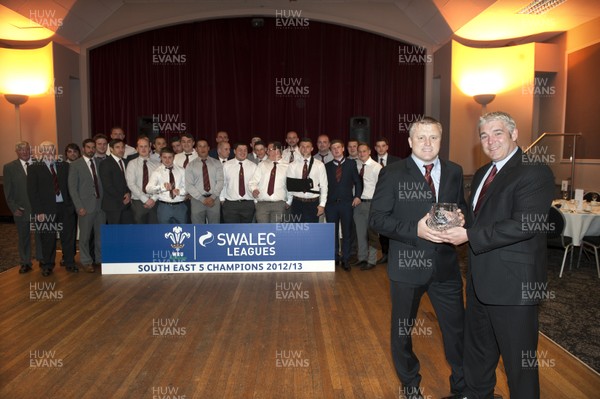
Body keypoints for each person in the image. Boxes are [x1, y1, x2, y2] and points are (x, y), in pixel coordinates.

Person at [438, 111, 555, 399]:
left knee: (519, 364)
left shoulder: (534, 171)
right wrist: (456, 218)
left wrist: (469, 236)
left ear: (514, 134)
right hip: (480, 281)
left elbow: (524, 224)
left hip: (515, 287)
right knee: (478, 353)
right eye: (484, 135)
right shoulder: (482, 174)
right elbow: (478, 217)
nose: (490, 141)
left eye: (498, 133)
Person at [370, 117, 467, 399]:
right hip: (407, 268)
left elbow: (460, 207)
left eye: (434, 138)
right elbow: (377, 219)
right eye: (421, 138)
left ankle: (461, 388)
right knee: (402, 333)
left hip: (446, 267)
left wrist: (461, 217)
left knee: (457, 332)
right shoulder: (393, 173)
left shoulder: (454, 171)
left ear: (441, 140)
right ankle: (411, 385)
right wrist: (416, 230)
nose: (427, 143)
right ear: (410, 141)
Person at [27, 141, 77, 276]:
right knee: (48, 238)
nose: (49, 152)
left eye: (51, 150)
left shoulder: (64, 166)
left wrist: (72, 206)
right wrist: (38, 212)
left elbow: (71, 187)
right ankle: (48, 265)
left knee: (68, 237)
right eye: (46, 150)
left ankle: (70, 263)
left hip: (65, 208)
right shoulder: (34, 168)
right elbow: (32, 192)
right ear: (41, 152)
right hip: (45, 210)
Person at [3, 141, 42, 274]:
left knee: (40, 235)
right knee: (23, 237)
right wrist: (14, 208)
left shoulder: (39, 163)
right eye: (21, 150)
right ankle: (25, 262)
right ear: (17, 152)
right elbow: (8, 191)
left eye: (26, 149)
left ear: (30, 150)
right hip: (21, 210)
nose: (24, 152)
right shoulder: (9, 167)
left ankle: (42, 259)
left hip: (39, 209)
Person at [68, 139, 105, 273]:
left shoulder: (100, 163)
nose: (91, 150)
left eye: (93, 147)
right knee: (84, 237)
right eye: (88, 147)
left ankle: (99, 259)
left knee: (100, 236)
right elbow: (72, 188)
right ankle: (86, 261)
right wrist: (79, 206)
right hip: (85, 207)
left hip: (100, 206)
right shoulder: (75, 165)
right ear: (83, 149)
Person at [324, 140, 362, 271]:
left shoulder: (351, 164)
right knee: (331, 233)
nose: (336, 150)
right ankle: (334, 257)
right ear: (330, 150)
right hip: (331, 205)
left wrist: (357, 196)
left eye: (338, 147)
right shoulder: (327, 166)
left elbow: (358, 182)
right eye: (333, 148)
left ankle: (346, 259)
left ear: (343, 148)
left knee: (347, 233)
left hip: (347, 204)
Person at [352, 142, 382, 270]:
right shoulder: (356, 165)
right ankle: (362, 257)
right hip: (358, 204)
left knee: (372, 234)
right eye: (359, 151)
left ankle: (372, 260)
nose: (361, 153)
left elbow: (381, 188)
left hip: (372, 204)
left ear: (369, 152)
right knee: (360, 233)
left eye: (364, 151)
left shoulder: (377, 167)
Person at [373, 136, 401, 264]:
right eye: (378, 146)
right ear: (375, 148)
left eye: (383, 146)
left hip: (394, 200)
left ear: (387, 147)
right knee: (382, 227)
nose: (381, 148)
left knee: (393, 227)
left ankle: (394, 253)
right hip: (377, 199)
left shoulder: (397, 161)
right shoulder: (371, 161)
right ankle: (385, 254)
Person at [286, 138, 328, 223]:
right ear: (299, 148)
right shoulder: (292, 165)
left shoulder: (319, 165)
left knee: (312, 232)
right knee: (297, 231)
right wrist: (289, 201)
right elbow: (290, 186)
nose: (305, 149)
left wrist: (322, 204)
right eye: (302, 147)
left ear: (312, 148)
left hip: (313, 203)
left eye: (307, 147)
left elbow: (324, 185)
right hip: (297, 202)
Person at [249, 141, 291, 223]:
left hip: (279, 204)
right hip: (262, 204)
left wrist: (289, 201)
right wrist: (254, 190)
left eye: (269, 149)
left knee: (276, 231)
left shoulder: (288, 166)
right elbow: (253, 182)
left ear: (277, 151)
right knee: (262, 231)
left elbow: (290, 186)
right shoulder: (262, 165)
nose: (267, 152)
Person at [185, 139, 224, 224]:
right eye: (200, 146)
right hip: (197, 200)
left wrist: (212, 197)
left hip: (214, 200)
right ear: (196, 149)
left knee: (214, 228)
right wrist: (202, 199)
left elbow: (220, 181)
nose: (203, 149)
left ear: (208, 148)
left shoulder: (217, 163)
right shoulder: (190, 165)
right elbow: (189, 185)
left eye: (205, 146)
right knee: (197, 229)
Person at [146, 148, 188, 224]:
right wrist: (162, 188)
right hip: (164, 207)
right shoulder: (157, 172)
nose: (167, 160)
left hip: (180, 206)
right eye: (164, 157)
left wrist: (180, 191)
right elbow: (148, 189)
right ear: (161, 157)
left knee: (183, 231)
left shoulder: (182, 170)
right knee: (164, 232)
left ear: (173, 157)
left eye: (170, 157)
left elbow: (187, 187)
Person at [125, 137, 160, 224]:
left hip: (154, 201)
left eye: (146, 146)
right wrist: (145, 199)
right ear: (137, 148)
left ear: (149, 148)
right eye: (141, 146)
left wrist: (153, 199)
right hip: (138, 201)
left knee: (154, 230)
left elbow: (160, 183)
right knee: (140, 231)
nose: (143, 149)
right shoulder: (132, 164)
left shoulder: (157, 164)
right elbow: (131, 184)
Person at [220, 143, 257, 223]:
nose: (243, 152)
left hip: (248, 203)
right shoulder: (226, 165)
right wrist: (222, 199)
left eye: (245, 150)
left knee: (246, 231)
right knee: (231, 231)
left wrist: (255, 201)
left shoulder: (253, 166)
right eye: (240, 150)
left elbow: (256, 185)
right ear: (234, 151)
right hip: (230, 204)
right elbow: (223, 183)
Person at [99, 139, 133, 224]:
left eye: (122, 147)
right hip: (113, 205)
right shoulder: (105, 163)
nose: (121, 150)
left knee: (125, 232)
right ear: (111, 149)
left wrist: (128, 193)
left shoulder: (125, 162)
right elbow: (107, 186)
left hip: (127, 204)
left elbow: (128, 181)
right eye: (117, 147)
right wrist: (123, 197)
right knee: (115, 233)